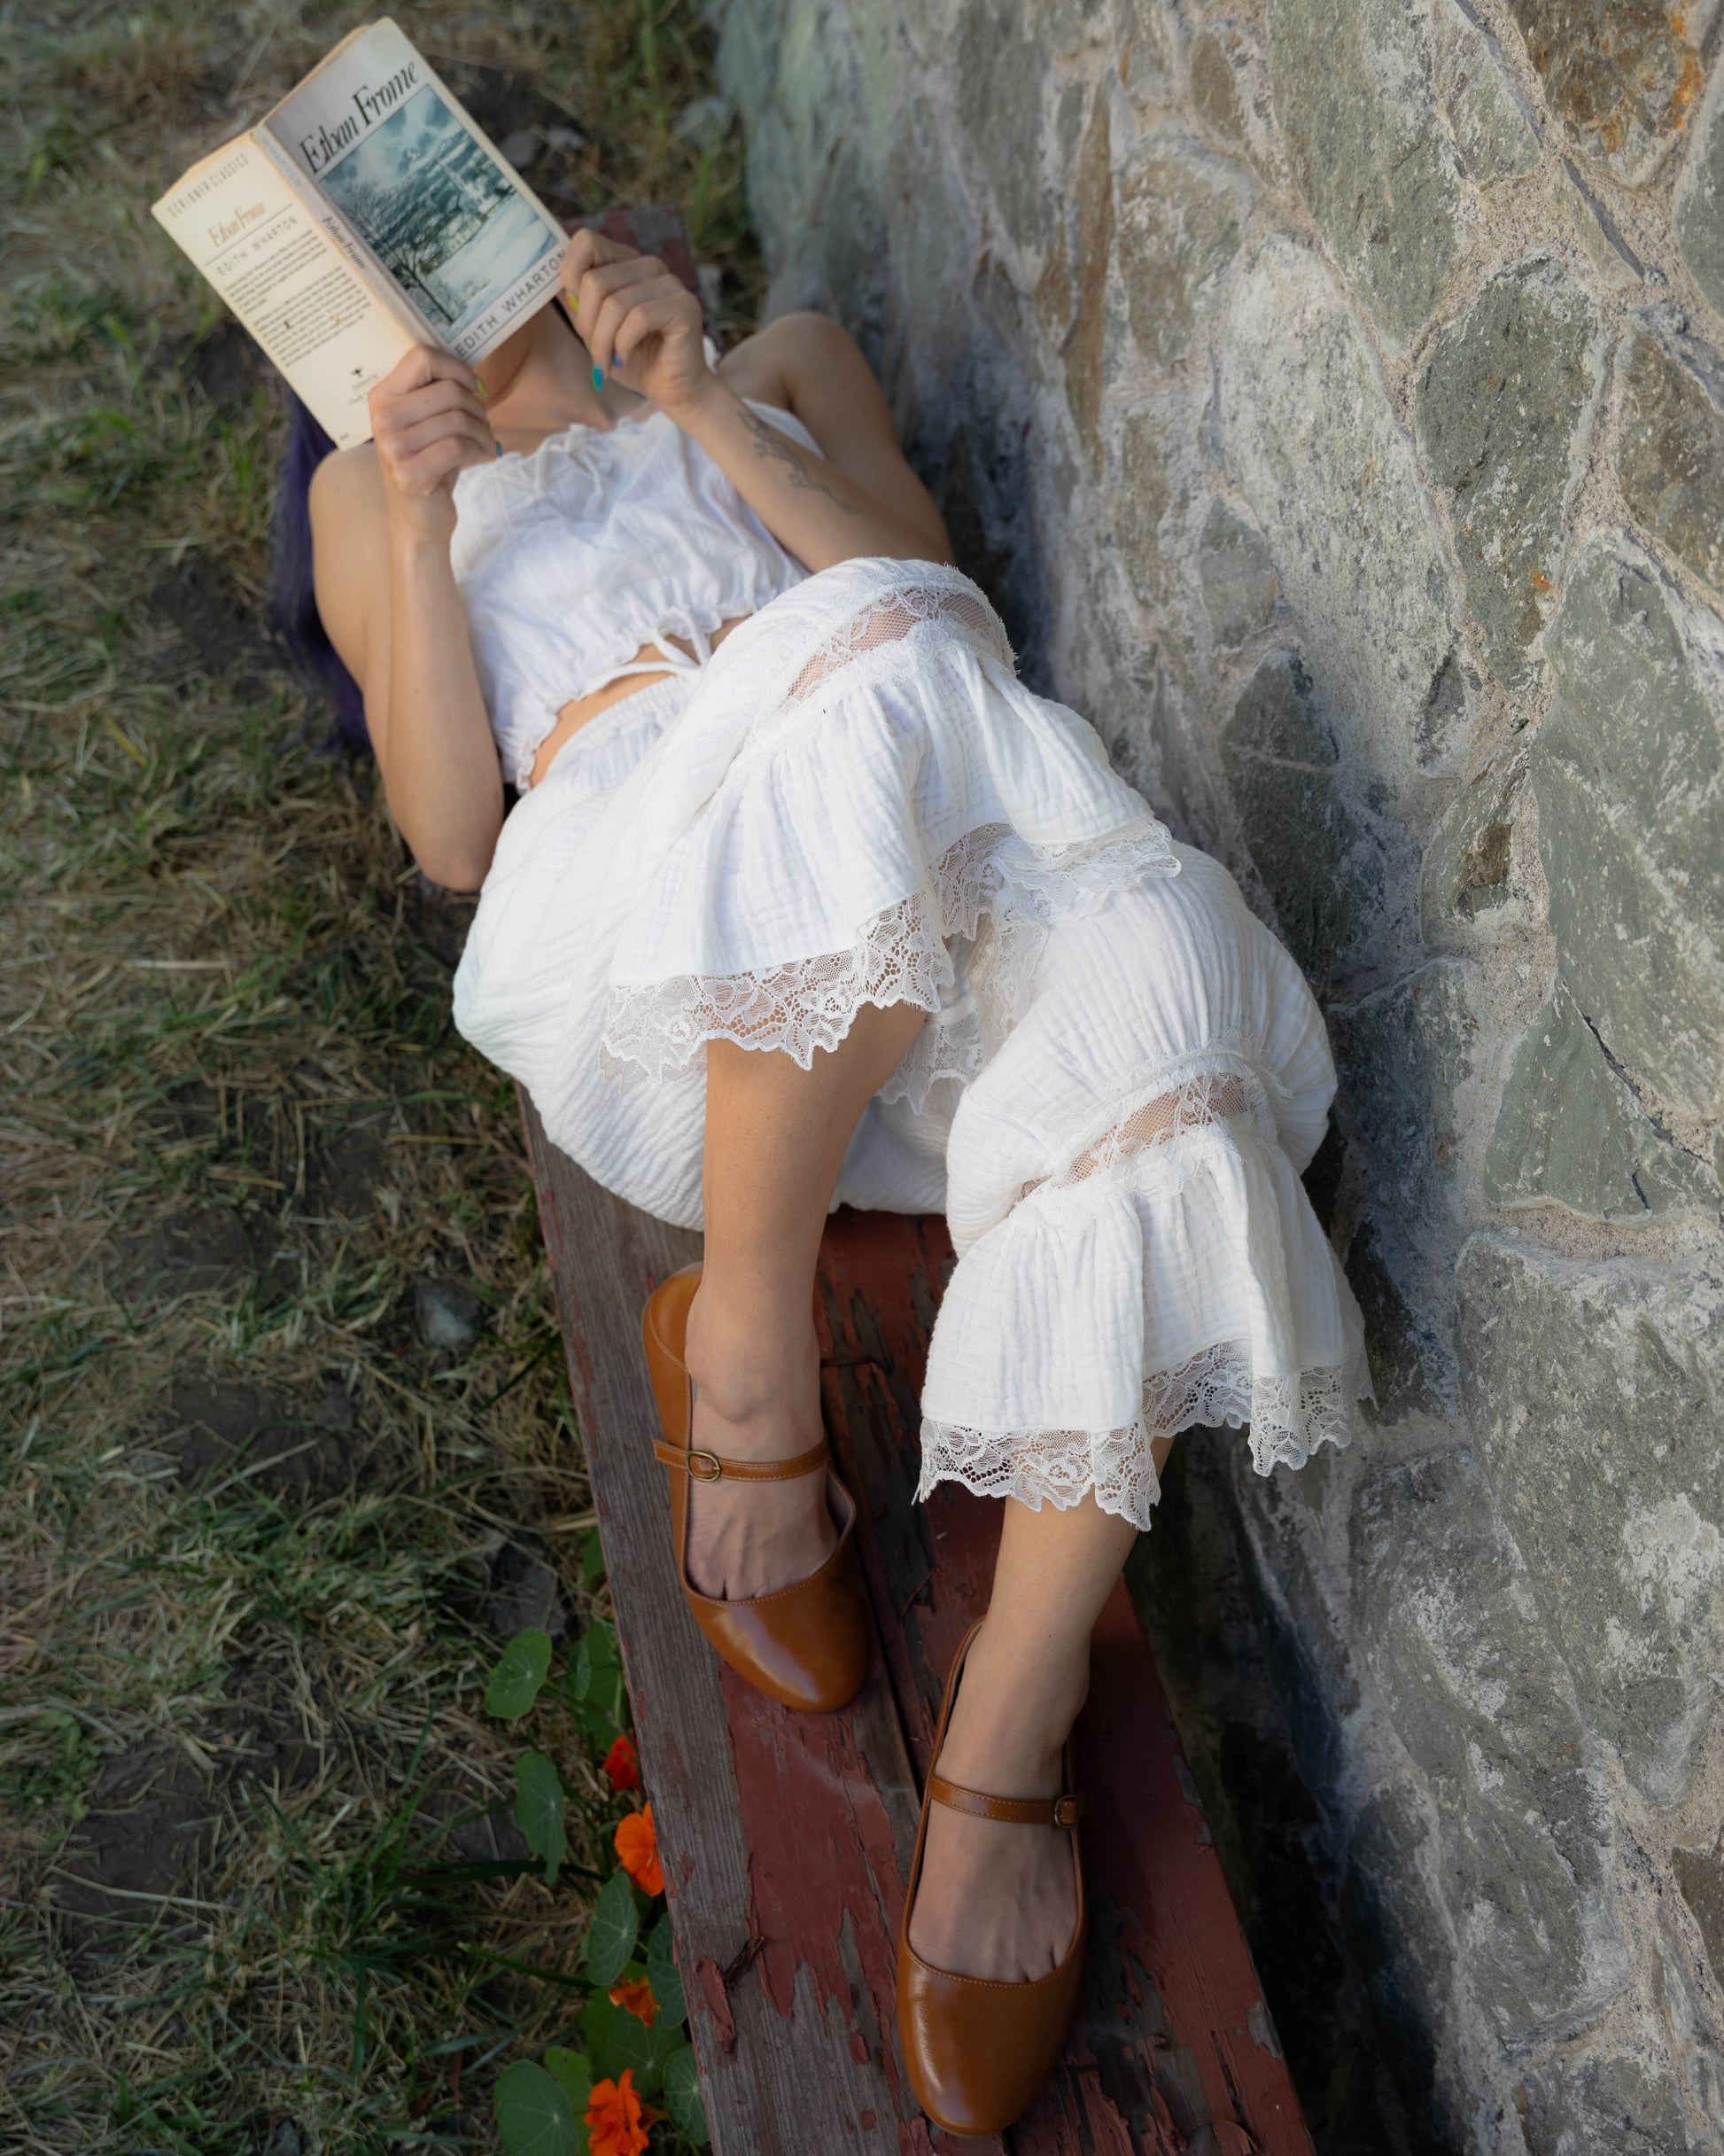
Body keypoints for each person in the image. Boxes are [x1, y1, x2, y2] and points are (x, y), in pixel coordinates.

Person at [299, 228, 1369, 2136]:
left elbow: (929, 597)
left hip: (942, 848)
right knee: (846, 663)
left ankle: (1006, 1732)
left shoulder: (772, 348)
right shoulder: (366, 484)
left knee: (1177, 1016)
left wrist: (701, 395)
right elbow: (455, 834)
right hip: (662, 953)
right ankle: (749, 1366)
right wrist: (407, 504)